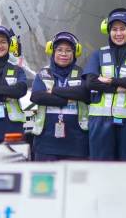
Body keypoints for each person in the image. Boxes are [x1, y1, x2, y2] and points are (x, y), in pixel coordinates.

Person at [84, 8, 126, 160]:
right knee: (101, 166)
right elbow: (91, 83)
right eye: (114, 29)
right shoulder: (98, 54)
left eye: (122, 29)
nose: (118, 33)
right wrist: (122, 87)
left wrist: (111, 80)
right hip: (100, 121)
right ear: (108, 31)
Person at [30, 31, 91, 160]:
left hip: (77, 143)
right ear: (52, 52)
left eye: (68, 50)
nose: (64, 54)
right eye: (59, 50)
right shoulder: (42, 74)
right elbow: (37, 97)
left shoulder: (83, 74)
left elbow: (84, 93)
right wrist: (68, 98)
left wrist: (53, 91)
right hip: (46, 144)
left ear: (75, 53)